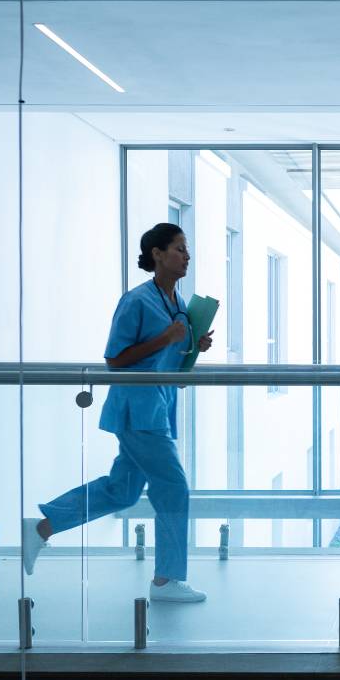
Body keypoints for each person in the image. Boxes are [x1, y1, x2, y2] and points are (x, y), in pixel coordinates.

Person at [21, 223, 214, 602]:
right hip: (138, 410)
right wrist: (166, 339)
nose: (186, 256)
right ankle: (166, 581)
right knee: (174, 488)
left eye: (186, 250)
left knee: (123, 490)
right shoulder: (136, 301)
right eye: (179, 249)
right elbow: (115, 360)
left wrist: (195, 346)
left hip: (157, 406)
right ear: (157, 254)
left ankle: (43, 527)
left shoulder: (177, 303)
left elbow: (170, 357)